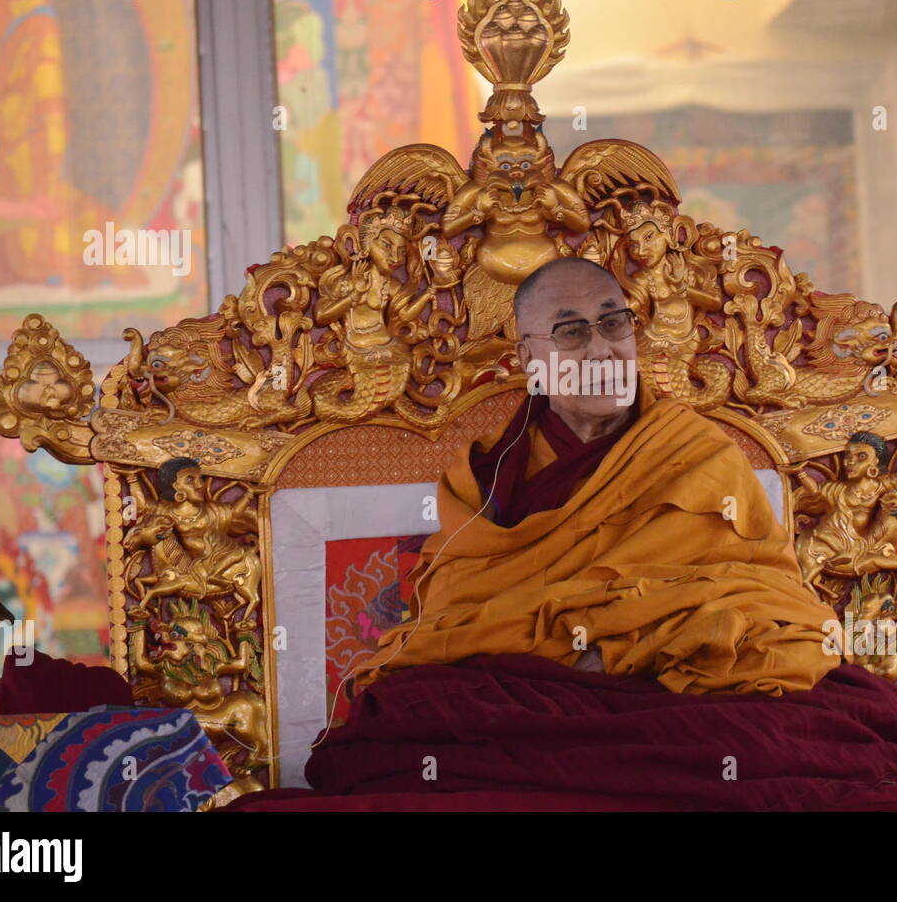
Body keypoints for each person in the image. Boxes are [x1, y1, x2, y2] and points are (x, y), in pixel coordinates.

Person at [355, 256, 841, 696]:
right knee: (413, 707)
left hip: (666, 685)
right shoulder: (487, 479)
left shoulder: (695, 454)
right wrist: (570, 652)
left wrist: (625, 647)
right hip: (538, 689)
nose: (601, 351)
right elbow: (453, 619)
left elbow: (768, 598)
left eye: (613, 323)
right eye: (570, 332)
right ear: (529, 361)